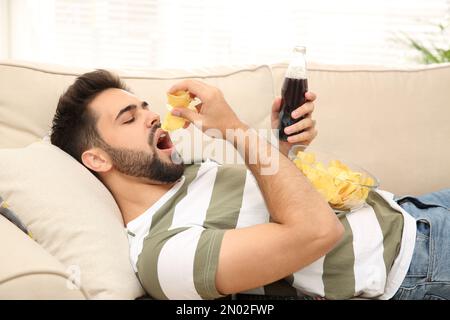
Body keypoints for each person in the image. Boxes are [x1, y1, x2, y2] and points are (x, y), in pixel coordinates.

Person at [50, 70, 450, 300]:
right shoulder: (164, 254)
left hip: (416, 211)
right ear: (97, 159)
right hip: (418, 266)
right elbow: (315, 232)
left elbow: (268, 204)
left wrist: (280, 144)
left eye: (145, 107)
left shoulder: (186, 174)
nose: (152, 117)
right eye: (128, 117)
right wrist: (237, 131)